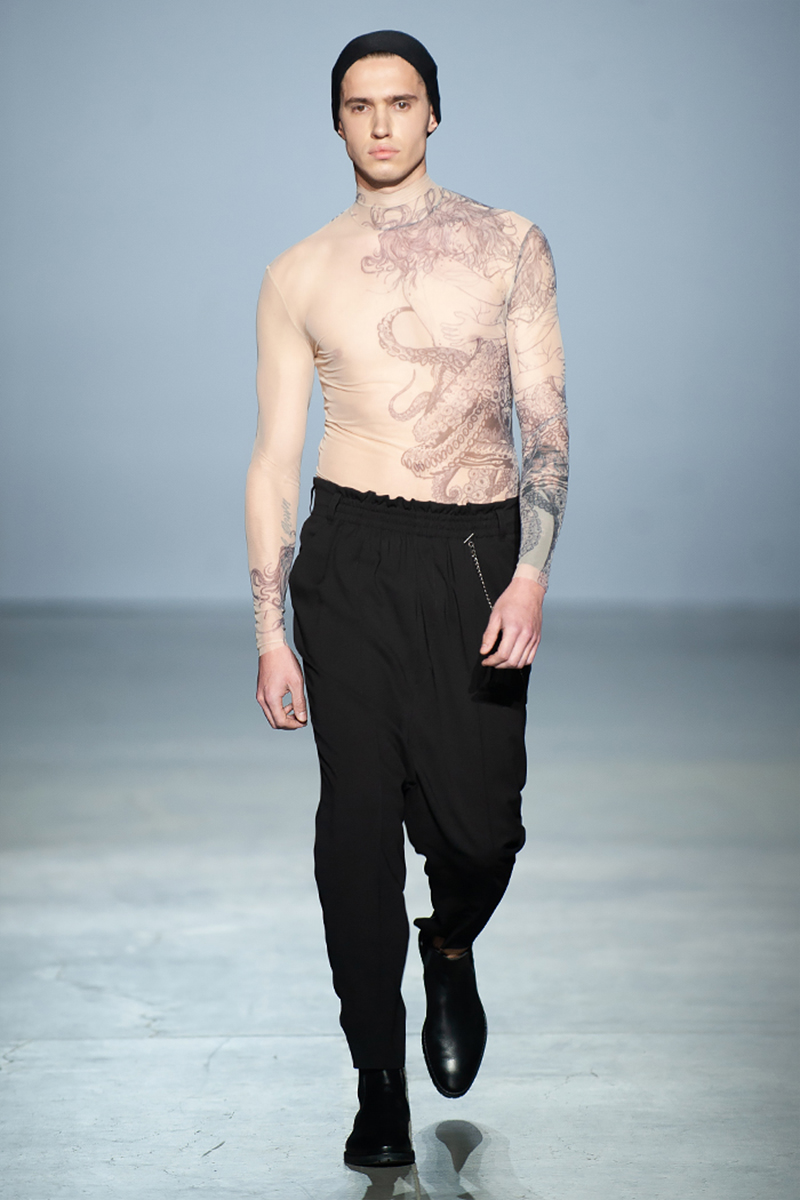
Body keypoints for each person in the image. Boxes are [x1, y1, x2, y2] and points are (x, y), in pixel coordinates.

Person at [245, 29, 568, 1169]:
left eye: (400, 101)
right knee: (353, 829)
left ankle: (450, 944)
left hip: (476, 553)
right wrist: (270, 630)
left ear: (433, 113)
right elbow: (271, 459)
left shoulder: (509, 244)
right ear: (336, 122)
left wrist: (530, 572)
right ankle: (376, 1082)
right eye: (358, 105)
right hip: (350, 558)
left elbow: (544, 425)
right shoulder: (299, 273)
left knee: (483, 829)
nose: (380, 123)